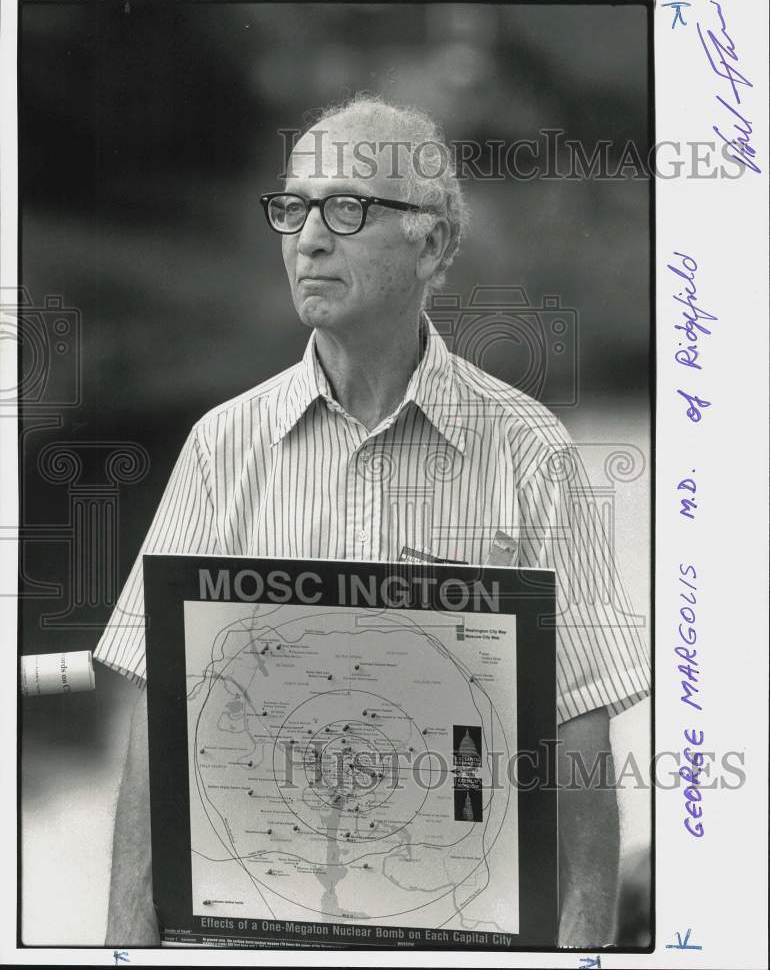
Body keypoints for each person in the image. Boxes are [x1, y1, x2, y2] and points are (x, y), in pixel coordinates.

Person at [96, 94, 650, 948]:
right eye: (293, 207)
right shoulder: (221, 445)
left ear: (432, 243)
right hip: (253, 938)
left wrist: (582, 954)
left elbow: (578, 733)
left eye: (347, 209)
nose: (308, 238)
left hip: (470, 941)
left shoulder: (531, 452)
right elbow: (155, 715)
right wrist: (125, 945)